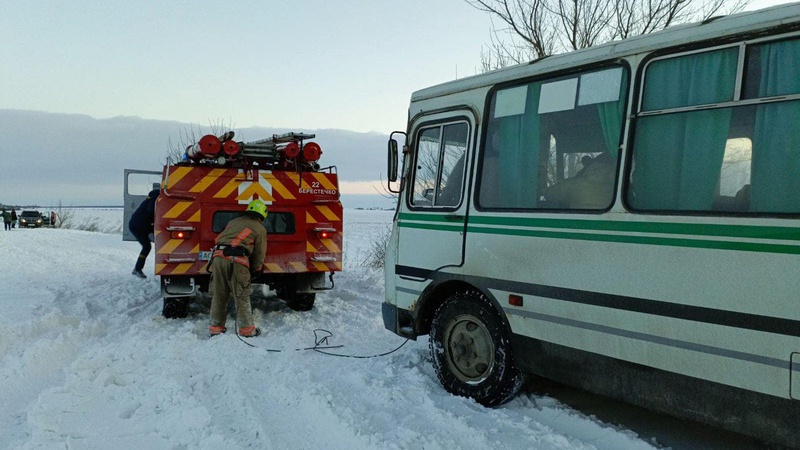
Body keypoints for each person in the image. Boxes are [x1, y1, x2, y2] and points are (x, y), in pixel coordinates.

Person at [208, 199, 268, 338]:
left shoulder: (233, 222)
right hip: (238, 260)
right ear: (262, 216)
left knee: (219, 293)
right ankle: (247, 330)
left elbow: (220, 239)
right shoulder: (260, 228)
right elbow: (260, 253)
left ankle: (216, 328)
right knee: (241, 294)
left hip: (218, 258)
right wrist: (256, 269)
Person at [128, 189, 160, 278]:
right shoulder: (153, 200)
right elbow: (151, 211)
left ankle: (137, 269)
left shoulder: (148, 200)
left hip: (139, 225)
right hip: (138, 227)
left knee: (147, 246)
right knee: (146, 247)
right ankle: (137, 269)